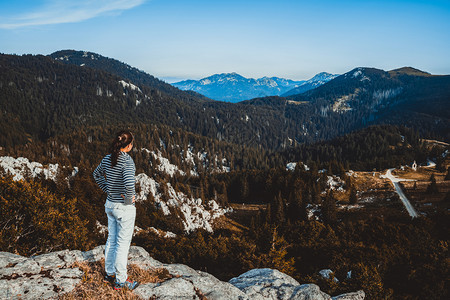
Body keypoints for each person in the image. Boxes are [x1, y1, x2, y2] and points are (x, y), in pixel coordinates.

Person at [93, 130, 139, 290]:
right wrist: (128, 198)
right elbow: (128, 183)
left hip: (110, 205)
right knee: (122, 244)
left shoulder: (108, 158)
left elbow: (96, 175)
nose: (132, 146)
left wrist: (108, 190)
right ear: (127, 146)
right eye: (132, 143)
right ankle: (121, 280)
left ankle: (109, 273)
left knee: (111, 240)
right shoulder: (127, 161)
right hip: (123, 208)